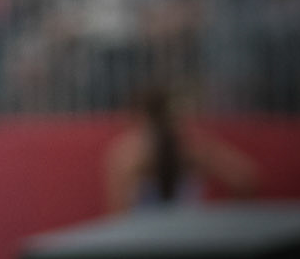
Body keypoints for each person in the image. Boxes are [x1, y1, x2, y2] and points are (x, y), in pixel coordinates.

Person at [104, 85, 260, 212]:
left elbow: (244, 179)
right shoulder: (130, 153)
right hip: (160, 238)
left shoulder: (190, 146)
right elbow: (244, 179)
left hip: (174, 238)